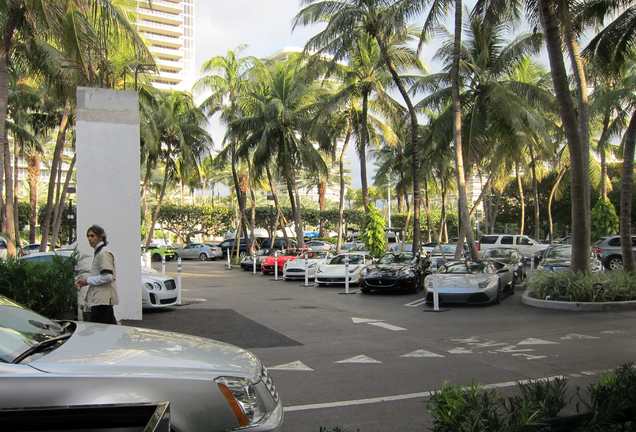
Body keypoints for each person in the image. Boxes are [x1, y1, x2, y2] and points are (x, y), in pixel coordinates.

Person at [75, 225, 119, 324]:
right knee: (107, 331)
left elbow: (108, 276)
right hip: (99, 302)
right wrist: (85, 282)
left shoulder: (103, 253)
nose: (89, 239)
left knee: (100, 332)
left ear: (100, 237)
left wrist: (86, 281)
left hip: (102, 302)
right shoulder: (99, 253)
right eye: (88, 236)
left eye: (92, 236)